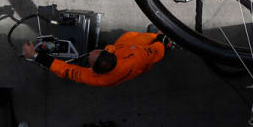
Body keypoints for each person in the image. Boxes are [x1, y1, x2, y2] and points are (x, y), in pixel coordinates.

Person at [23, 31, 166, 87]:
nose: (92, 51)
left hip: (129, 58)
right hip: (137, 55)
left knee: (131, 37)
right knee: (140, 39)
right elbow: (155, 52)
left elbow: (66, 70)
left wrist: (36, 56)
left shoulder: (96, 79)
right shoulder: (137, 56)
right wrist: (160, 40)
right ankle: (157, 35)